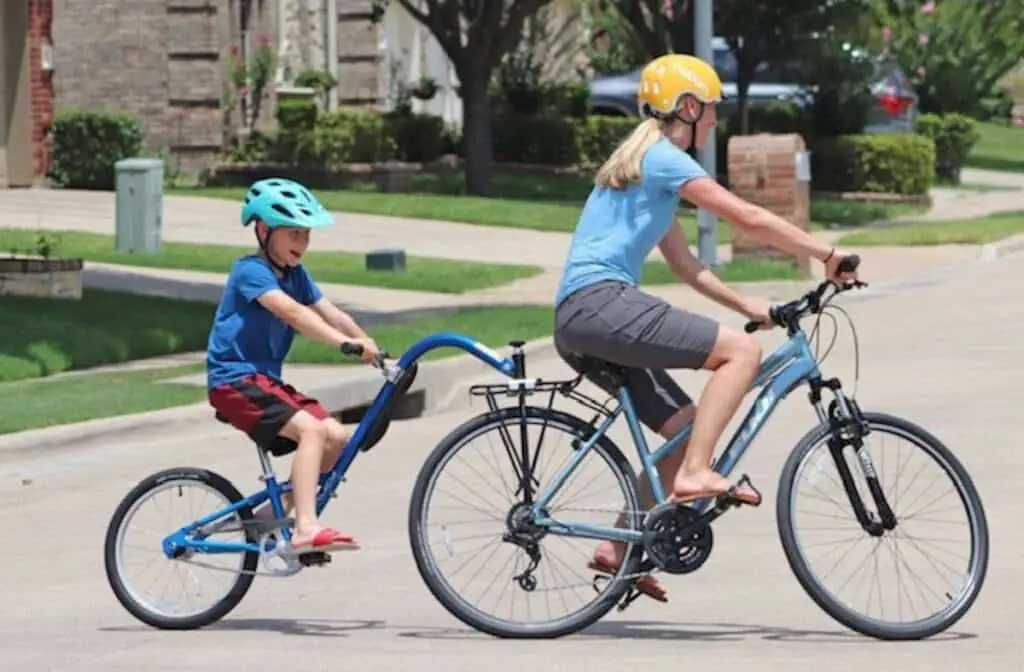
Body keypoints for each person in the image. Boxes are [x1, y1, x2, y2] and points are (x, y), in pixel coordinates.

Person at [552, 53, 861, 601]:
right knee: (739, 357)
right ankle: (695, 474)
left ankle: (618, 547)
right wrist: (827, 252)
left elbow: (686, 266)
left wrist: (752, 307)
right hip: (600, 304)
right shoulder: (664, 159)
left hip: (587, 314)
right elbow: (747, 216)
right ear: (688, 107)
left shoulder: (647, 166)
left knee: (688, 425)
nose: (715, 121)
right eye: (711, 110)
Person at [206, 178, 381, 554]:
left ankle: (272, 519)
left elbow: (330, 312)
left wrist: (376, 352)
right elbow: (294, 314)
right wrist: (344, 345)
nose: (302, 243)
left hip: (263, 381)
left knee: (337, 439)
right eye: (293, 234)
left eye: (306, 234)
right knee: (312, 432)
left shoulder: (296, 275)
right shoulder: (250, 271)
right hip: (233, 380)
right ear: (264, 230)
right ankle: (304, 529)